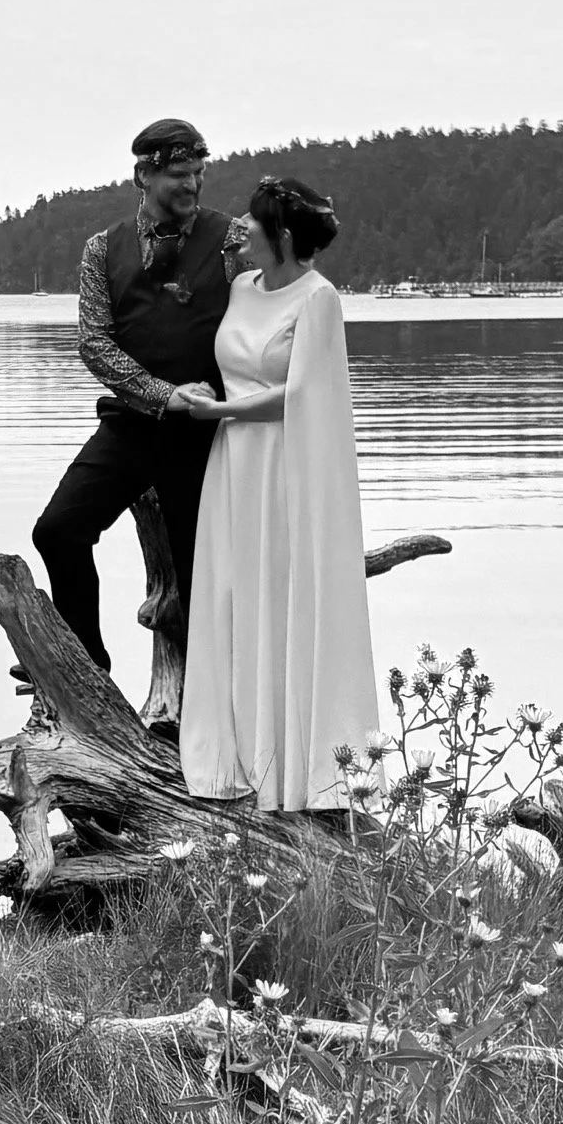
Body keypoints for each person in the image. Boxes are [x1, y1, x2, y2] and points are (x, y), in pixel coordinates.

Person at [180, 175, 381, 810]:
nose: (240, 227)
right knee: (234, 594)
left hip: (282, 468)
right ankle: (236, 753)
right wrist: (202, 399)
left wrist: (219, 413)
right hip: (234, 465)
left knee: (278, 594)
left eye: (252, 221)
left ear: (284, 237)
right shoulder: (241, 287)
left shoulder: (318, 299)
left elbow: (304, 396)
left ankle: (294, 769)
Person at [34, 116, 232, 685]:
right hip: (133, 424)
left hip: (209, 432)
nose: (191, 186)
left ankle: (212, 708)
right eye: (177, 176)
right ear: (143, 175)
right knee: (58, 531)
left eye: (197, 174)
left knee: (201, 575)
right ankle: (84, 669)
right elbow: (94, 342)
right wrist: (162, 395)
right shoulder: (103, 248)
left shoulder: (231, 241)